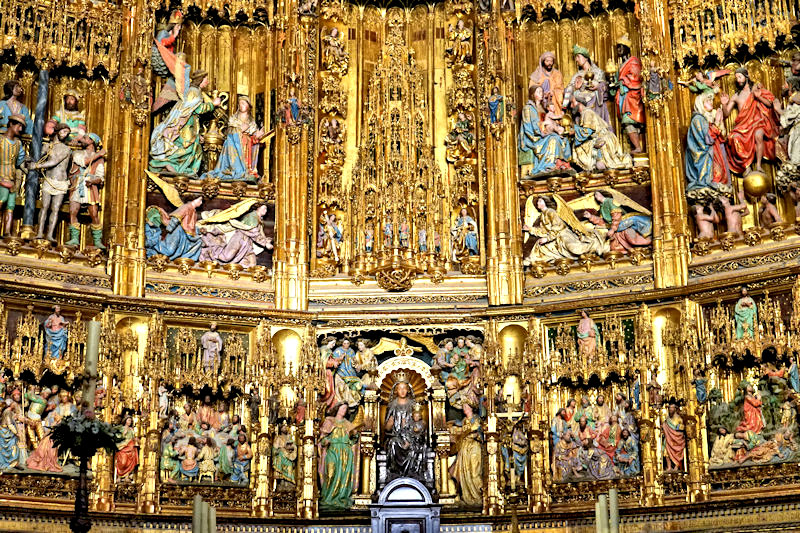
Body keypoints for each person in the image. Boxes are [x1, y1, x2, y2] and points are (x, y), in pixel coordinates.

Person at [149, 69, 221, 176]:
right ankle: (170, 165)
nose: (207, 82)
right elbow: (197, 109)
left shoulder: (195, 91)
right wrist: (213, 104)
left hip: (190, 124)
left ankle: (182, 169)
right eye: (206, 79)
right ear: (200, 80)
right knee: (186, 147)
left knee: (194, 149)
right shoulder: (193, 92)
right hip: (185, 125)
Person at [720, 68, 780, 174]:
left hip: (758, 122)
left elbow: (769, 104)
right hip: (743, 126)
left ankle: (758, 165)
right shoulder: (736, 96)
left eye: (740, 77)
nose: (738, 80)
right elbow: (726, 114)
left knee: (758, 135)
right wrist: (724, 104)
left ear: (746, 76)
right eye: (736, 78)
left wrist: (759, 97)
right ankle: (746, 166)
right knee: (734, 138)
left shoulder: (756, 89)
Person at [203, 96, 265, 182]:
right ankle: (236, 169)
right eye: (240, 104)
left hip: (247, 144)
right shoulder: (234, 118)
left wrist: (257, 136)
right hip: (235, 144)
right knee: (230, 143)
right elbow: (229, 133)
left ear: (249, 106)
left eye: (243, 103)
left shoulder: (251, 121)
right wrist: (240, 130)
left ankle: (247, 170)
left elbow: (253, 136)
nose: (241, 106)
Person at [30, 123, 72, 241]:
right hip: (49, 180)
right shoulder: (47, 146)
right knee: (44, 207)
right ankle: (39, 233)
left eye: (67, 133)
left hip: (60, 182)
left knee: (55, 208)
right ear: (57, 132)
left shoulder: (66, 149)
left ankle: (49, 235)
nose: (65, 135)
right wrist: (32, 161)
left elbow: (54, 161)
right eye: (63, 132)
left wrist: (37, 166)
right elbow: (37, 157)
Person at [199, 203, 273, 268]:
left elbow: (259, 232)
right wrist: (265, 243)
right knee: (226, 257)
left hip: (248, 243)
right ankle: (207, 252)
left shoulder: (259, 219)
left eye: (266, 209)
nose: (265, 210)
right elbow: (252, 231)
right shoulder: (252, 217)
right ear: (258, 208)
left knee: (251, 264)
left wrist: (266, 239)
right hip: (240, 238)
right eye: (264, 208)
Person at [518, 86, 571, 177]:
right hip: (533, 137)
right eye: (538, 92)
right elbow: (528, 127)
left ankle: (560, 162)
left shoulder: (542, 108)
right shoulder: (528, 108)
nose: (541, 94)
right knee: (553, 139)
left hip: (543, 133)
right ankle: (549, 165)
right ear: (532, 94)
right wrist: (542, 131)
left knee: (563, 138)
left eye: (541, 92)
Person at [685, 91, 732, 194]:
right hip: (704, 158)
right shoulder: (698, 119)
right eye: (708, 100)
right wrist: (716, 122)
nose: (711, 102)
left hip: (715, 154)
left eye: (711, 100)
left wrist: (720, 122)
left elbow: (721, 139)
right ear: (701, 103)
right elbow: (708, 140)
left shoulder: (707, 120)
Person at [66, 133, 106, 249]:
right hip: (78, 185)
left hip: (90, 188)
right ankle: (74, 239)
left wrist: (93, 181)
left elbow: (100, 176)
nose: (82, 140)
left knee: (94, 214)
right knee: (73, 211)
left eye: (85, 138)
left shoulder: (99, 160)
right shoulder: (77, 154)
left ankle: (97, 241)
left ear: (92, 141)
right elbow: (84, 162)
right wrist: (99, 154)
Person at [572, 97, 632, 171]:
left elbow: (587, 131)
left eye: (572, 103)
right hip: (605, 137)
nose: (571, 106)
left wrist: (574, 129)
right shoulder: (585, 113)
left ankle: (598, 162)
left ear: (579, 103)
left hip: (604, 138)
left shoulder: (587, 112)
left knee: (579, 146)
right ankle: (598, 162)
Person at [584, 190, 652, 253]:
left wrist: (613, 229)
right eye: (595, 196)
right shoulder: (602, 207)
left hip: (622, 222)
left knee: (632, 238)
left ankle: (649, 240)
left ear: (602, 194)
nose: (596, 197)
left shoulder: (610, 202)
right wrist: (590, 217)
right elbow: (603, 221)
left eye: (597, 194)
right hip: (615, 227)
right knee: (613, 247)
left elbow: (616, 216)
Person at [318, 403, 357, 509]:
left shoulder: (348, 424)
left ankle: (342, 497)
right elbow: (322, 438)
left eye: (346, 409)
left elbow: (354, 439)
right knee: (330, 474)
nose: (344, 410)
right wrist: (325, 441)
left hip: (345, 452)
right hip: (332, 450)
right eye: (342, 408)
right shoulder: (329, 421)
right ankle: (327, 498)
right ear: (337, 409)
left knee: (344, 476)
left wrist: (355, 435)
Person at [610, 35, 645, 153]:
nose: (618, 50)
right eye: (617, 47)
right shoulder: (621, 64)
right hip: (625, 97)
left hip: (632, 97)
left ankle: (638, 147)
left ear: (627, 48)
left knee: (629, 121)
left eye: (621, 47)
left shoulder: (633, 61)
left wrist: (623, 81)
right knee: (627, 122)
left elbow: (636, 77)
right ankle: (637, 147)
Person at [564, 45, 612, 128]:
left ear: (586, 58)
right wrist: (575, 87)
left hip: (594, 103)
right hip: (581, 103)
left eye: (578, 57)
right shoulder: (577, 75)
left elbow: (606, 87)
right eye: (575, 57)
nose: (576, 60)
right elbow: (568, 89)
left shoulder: (598, 72)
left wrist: (598, 86)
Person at [449, 402, 483, 506]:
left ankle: (478, 494)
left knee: (474, 471)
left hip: (474, 447)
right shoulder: (463, 421)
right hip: (464, 448)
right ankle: (466, 495)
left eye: (466, 407)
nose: (464, 410)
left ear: (471, 408)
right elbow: (458, 429)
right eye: (463, 407)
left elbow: (478, 430)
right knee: (463, 471)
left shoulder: (476, 419)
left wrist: (471, 433)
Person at [0, 114, 26, 236]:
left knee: (11, 205)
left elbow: (20, 159)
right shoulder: (1, 140)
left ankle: (7, 232)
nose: (20, 129)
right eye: (18, 126)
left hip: (12, 176)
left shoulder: (18, 143)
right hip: (1, 175)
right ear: (11, 124)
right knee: (2, 199)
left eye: (22, 127)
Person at [272, 423, 297, 490]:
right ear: (280, 429)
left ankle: (289, 484)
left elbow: (294, 446)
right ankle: (281, 484)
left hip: (289, 457)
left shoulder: (289, 437)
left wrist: (291, 448)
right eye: (283, 427)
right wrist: (278, 450)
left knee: (289, 468)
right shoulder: (278, 438)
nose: (285, 428)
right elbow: (274, 448)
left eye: (286, 427)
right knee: (281, 472)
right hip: (281, 457)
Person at [662, 403, 685, 472]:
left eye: (672, 408)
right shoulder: (667, 419)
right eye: (669, 408)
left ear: (675, 409)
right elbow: (664, 426)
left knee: (678, 452)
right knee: (666, 452)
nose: (670, 409)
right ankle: (669, 467)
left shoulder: (679, 419)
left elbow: (682, 428)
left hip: (676, 439)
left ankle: (676, 466)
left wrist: (675, 430)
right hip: (668, 439)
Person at [115, 416, 139, 481]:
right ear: (125, 420)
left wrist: (136, 439)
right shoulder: (121, 428)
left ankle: (127, 476)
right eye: (128, 420)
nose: (129, 422)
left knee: (130, 461)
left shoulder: (131, 430)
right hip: (122, 446)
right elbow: (117, 437)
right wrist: (123, 434)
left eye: (130, 421)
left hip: (130, 446)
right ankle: (119, 476)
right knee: (122, 462)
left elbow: (133, 438)